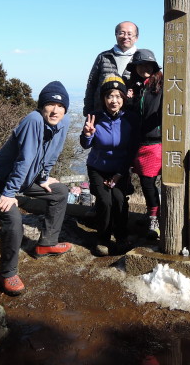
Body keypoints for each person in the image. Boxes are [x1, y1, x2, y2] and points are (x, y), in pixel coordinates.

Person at [0, 81, 73, 296]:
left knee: (60, 192)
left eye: (60, 106)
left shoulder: (63, 123)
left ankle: (47, 243)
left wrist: (44, 178)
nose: (55, 110)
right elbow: (25, 158)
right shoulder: (34, 120)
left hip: (24, 179)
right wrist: (9, 193)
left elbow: (53, 153)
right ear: (41, 106)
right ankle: (7, 273)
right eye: (49, 104)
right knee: (13, 220)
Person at [81, 75, 140, 256]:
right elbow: (85, 144)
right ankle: (103, 238)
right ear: (103, 99)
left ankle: (121, 237)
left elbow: (132, 149)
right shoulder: (95, 118)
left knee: (120, 200)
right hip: (98, 168)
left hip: (120, 169)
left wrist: (120, 173)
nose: (114, 100)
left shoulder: (131, 118)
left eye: (118, 96)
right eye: (109, 96)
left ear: (124, 98)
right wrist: (88, 134)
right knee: (105, 201)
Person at [126, 49, 163, 239]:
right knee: (145, 182)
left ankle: (155, 219)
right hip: (140, 143)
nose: (143, 68)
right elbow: (136, 114)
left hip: (156, 142)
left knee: (149, 183)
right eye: (139, 65)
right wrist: (130, 100)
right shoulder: (139, 87)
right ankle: (152, 215)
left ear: (154, 66)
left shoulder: (162, 84)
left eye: (147, 64)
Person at [83, 21, 139, 116]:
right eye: (121, 33)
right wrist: (88, 110)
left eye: (130, 34)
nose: (125, 37)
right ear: (116, 35)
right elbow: (91, 85)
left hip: (130, 114)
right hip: (101, 113)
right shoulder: (103, 57)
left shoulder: (141, 59)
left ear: (136, 37)